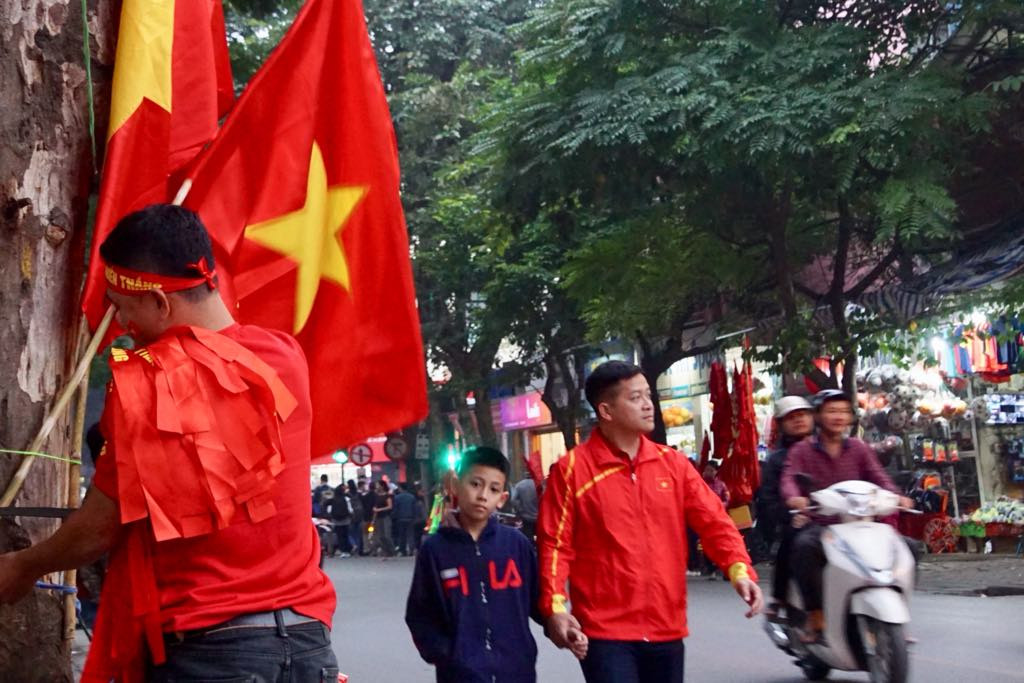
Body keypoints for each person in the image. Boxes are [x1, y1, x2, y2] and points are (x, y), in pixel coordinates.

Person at [0, 205, 337, 681]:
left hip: (213, 653)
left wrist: (25, 564)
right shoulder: (284, 357)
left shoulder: (149, 387)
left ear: (160, 302)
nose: (119, 322)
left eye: (122, 305)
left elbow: (100, 528)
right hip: (307, 644)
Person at [538, 361, 762, 683]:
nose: (648, 405)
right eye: (635, 397)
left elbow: (714, 522)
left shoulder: (672, 465)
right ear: (606, 410)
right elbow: (555, 546)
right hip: (605, 632)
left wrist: (738, 569)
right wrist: (555, 607)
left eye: (648, 395)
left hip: (666, 626)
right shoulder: (572, 471)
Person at [405, 446, 586, 682]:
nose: (482, 495)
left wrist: (561, 627)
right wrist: (445, 654)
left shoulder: (516, 545)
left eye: (493, 489)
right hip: (459, 674)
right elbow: (420, 613)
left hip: (517, 670)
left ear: (502, 499)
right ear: (456, 486)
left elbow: (539, 601)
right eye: (475, 484)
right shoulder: (435, 549)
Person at [780, 389, 914, 641]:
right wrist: (795, 497)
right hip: (823, 524)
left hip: (861, 523)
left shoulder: (858, 448)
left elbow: (879, 477)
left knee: (907, 548)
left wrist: (898, 496)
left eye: (843, 411)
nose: (838, 416)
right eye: (831, 411)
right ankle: (815, 613)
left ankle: (900, 612)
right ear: (818, 416)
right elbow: (789, 478)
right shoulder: (802, 450)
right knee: (804, 548)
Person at [756, 395, 814, 615]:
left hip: (833, 517)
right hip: (795, 520)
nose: (799, 420)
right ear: (781, 424)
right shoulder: (776, 460)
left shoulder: (826, 447)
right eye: (792, 417)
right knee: (792, 542)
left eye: (803, 415)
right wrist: (789, 515)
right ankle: (780, 596)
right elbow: (769, 499)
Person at [370, 480, 396, 557]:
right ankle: (386, 551)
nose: (377, 487)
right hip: (378, 517)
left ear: (382, 486)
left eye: (378, 485)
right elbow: (375, 508)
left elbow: (390, 506)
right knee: (381, 536)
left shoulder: (387, 495)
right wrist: (373, 520)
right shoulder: (377, 496)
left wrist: (380, 509)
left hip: (386, 516)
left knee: (387, 535)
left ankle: (392, 550)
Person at [510, 475, 539, 542]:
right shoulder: (539, 484)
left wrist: (520, 510)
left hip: (526, 517)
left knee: (528, 538)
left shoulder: (520, 485)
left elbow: (513, 500)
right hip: (539, 517)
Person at [330, 480, 354, 557]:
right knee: (346, 535)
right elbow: (350, 509)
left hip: (336, 520)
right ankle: (348, 550)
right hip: (345, 519)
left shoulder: (333, 499)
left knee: (340, 536)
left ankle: (343, 550)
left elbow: (330, 509)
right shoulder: (346, 498)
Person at [393, 483, 417, 556]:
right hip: (410, 518)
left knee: (402, 535)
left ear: (400, 488)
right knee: (410, 535)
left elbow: (396, 509)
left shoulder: (397, 497)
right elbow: (414, 509)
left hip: (400, 518)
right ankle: (411, 549)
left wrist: (394, 516)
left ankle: (403, 550)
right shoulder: (412, 497)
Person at [359, 477, 377, 556]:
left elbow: (361, 502)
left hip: (365, 517)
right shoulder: (377, 496)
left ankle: (366, 548)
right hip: (375, 517)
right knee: (374, 534)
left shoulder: (365, 496)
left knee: (365, 534)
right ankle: (374, 549)